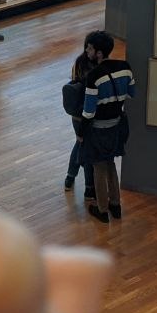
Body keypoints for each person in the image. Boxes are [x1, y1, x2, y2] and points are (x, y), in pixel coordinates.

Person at [76, 30, 135, 223]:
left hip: (98, 129)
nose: (87, 51)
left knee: (99, 167)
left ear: (99, 53)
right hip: (117, 124)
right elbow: (132, 93)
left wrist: (81, 133)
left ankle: (101, 209)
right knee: (110, 163)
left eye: (90, 48)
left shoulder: (94, 76)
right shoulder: (125, 67)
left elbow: (89, 112)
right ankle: (115, 205)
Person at [63, 46, 95, 201]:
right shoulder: (94, 66)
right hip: (87, 113)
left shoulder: (78, 62)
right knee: (87, 149)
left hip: (76, 113)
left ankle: (70, 177)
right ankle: (89, 188)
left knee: (79, 142)